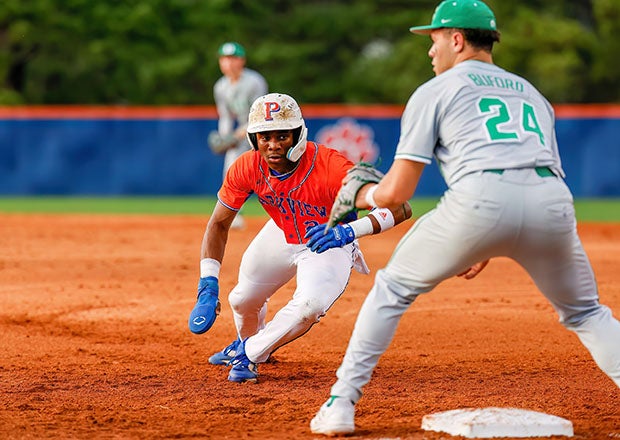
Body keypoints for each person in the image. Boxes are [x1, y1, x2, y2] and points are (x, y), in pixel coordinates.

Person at [309, 0, 620, 435]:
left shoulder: (436, 90)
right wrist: (490, 238)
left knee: (392, 288)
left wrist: (360, 193)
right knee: (587, 313)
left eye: (435, 38)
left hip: (479, 200)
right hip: (552, 201)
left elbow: (397, 192)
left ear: (457, 39)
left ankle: (340, 404)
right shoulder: (532, 93)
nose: (430, 50)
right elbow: (527, 180)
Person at [187, 92, 412, 383]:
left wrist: (347, 232)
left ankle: (249, 352)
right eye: (265, 137)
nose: (273, 145)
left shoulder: (331, 167)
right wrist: (207, 283)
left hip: (329, 240)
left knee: (310, 306)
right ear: (254, 139)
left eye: (283, 135)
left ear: (298, 135)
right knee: (242, 299)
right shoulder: (247, 166)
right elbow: (218, 224)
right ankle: (254, 346)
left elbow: (400, 207)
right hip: (282, 231)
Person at [210, 41, 268, 229]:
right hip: (240, 133)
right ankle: (234, 214)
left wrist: (236, 135)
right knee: (231, 169)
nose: (228, 63)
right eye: (225, 59)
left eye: (233, 58)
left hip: (263, 132)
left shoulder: (254, 82)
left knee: (271, 172)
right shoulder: (220, 86)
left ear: (242, 61)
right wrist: (225, 137)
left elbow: (259, 114)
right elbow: (225, 116)